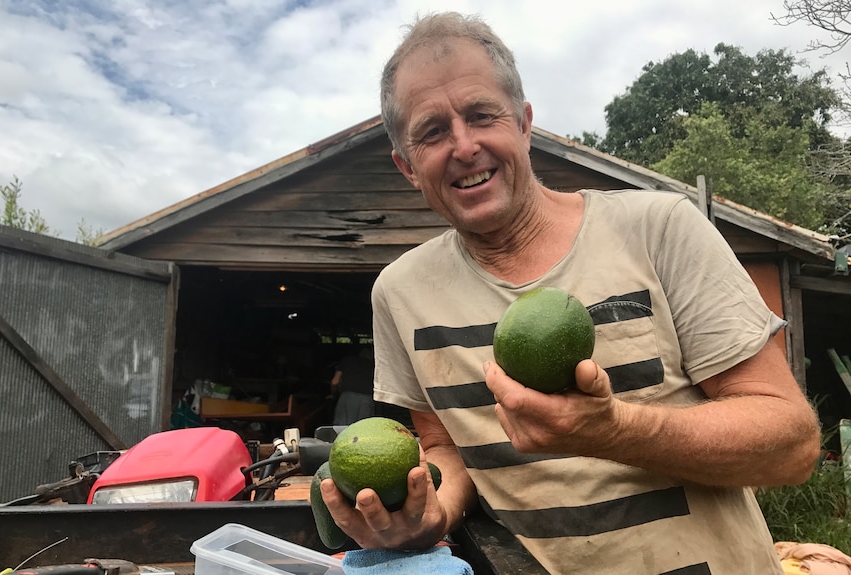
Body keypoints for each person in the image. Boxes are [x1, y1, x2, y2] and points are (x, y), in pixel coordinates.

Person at [320, 11, 821, 575]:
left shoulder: (659, 229)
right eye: (432, 132)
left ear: (525, 123)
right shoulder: (400, 292)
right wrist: (430, 516)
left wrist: (616, 431)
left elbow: (791, 444)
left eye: (482, 115)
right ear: (407, 165)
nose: (463, 146)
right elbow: (445, 451)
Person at [330, 345, 375, 425]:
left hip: (347, 398)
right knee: (363, 430)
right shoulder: (374, 366)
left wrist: (334, 394)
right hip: (367, 400)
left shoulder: (346, 361)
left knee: (342, 429)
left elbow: (335, 382)